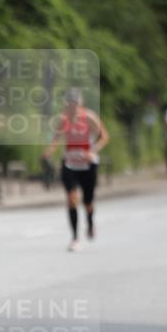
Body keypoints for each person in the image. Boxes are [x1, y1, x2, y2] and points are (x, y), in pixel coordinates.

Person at [42, 88, 110, 251]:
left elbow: (104, 136)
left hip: (87, 164)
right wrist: (48, 152)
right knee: (72, 198)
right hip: (70, 163)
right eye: (69, 104)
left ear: (80, 104)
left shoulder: (89, 117)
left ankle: (90, 222)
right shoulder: (63, 120)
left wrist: (92, 151)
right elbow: (56, 139)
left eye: (74, 104)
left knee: (88, 201)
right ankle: (75, 237)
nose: (71, 107)